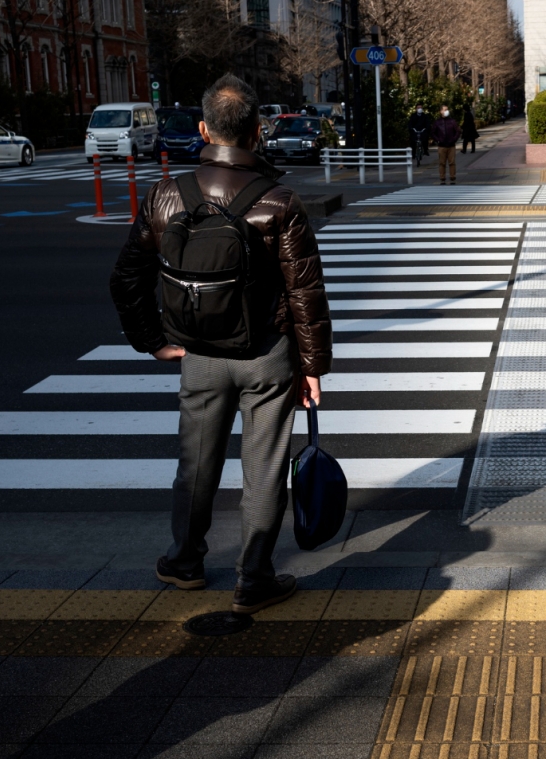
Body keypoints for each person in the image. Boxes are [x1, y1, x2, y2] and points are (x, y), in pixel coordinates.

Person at [109, 73, 332, 614]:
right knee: (264, 469)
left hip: (199, 355)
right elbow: (305, 292)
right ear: (258, 131)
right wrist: (313, 366)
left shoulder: (167, 194)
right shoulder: (280, 201)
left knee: (197, 461)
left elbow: (126, 276)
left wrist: (153, 341)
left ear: (206, 128)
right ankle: (253, 578)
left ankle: (184, 561)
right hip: (267, 355)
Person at [431, 104, 460, 184]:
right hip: (441, 146)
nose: (446, 111)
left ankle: (452, 177)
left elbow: (458, 131)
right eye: (444, 109)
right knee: (442, 163)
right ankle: (442, 178)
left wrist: (454, 139)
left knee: (452, 162)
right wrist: (438, 140)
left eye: (447, 109)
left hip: (451, 145)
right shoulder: (437, 122)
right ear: (441, 111)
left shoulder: (452, 121)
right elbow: (433, 133)